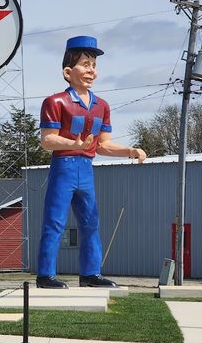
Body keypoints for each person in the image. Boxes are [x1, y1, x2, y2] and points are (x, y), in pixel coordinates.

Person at [36, 35, 146, 289]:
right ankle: (45, 274)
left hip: (86, 168)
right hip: (63, 166)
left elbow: (103, 144)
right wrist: (74, 145)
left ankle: (90, 273)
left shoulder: (101, 106)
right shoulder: (55, 102)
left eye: (93, 65)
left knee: (90, 222)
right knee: (55, 221)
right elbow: (48, 140)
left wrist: (130, 150)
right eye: (85, 64)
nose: (91, 71)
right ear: (67, 71)